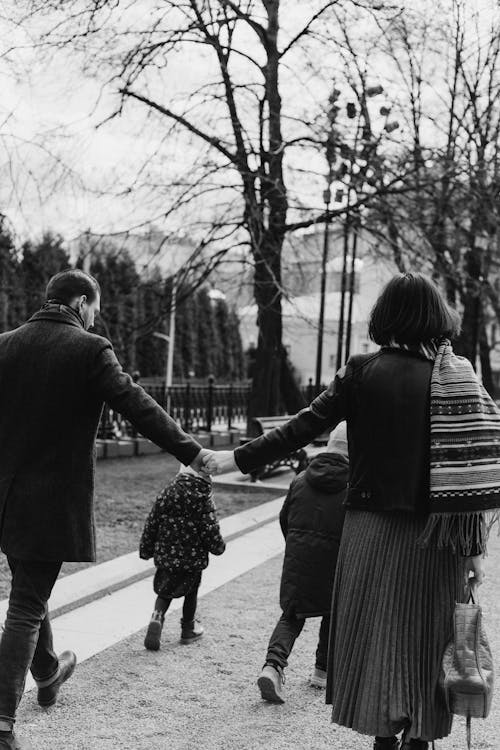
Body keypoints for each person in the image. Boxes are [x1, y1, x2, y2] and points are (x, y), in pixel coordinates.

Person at [205, 272, 497, 750]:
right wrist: (474, 548)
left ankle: (383, 736)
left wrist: (233, 458)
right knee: (426, 641)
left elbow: (301, 428)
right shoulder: (458, 381)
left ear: (385, 317)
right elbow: (475, 467)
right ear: (435, 317)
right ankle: (419, 738)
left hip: (369, 532)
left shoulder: (360, 371)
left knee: (377, 637)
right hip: (437, 537)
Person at [0, 269, 211, 750]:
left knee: (30, 587)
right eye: (94, 307)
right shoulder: (89, 349)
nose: (96, 317)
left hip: (5, 499)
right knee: (28, 603)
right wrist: (193, 453)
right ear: (80, 301)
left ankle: (49, 673)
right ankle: (3, 721)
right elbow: (139, 406)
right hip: (50, 502)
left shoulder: (5, 344)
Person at [257, 421, 347, 704]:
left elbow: (285, 519)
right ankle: (322, 671)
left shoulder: (300, 480)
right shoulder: (354, 485)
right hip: (335, 563)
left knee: (292, 615)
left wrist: (296, 546)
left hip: (300, 559)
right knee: (332, 612)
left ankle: (273, 666)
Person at [140, 465, 225, 650]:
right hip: (192, 558)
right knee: (191, 592)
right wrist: (218, 547)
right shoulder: (203, 497)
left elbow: (152, 522)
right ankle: (188, 628)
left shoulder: (167, 493)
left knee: (164, 591)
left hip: (166, 555)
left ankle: (157, 616)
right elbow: (210, 527)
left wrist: (146, 549)